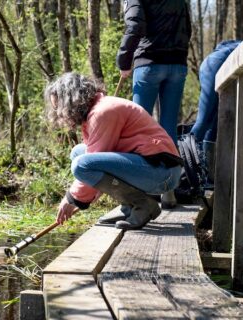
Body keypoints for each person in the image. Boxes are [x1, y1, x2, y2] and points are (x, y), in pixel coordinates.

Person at [45, 72, 183, 229]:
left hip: (163, 173)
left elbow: (91, 163)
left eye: (59, 107)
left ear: (70, 100)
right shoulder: (96, 111)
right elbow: (99, 163)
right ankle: (130, 207)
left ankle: (143, 205)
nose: (59, 113)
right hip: (151, 169)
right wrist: (88, 192)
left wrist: (71, 198)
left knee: (80, 163)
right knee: (78, 152)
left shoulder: (102, 112)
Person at [116, 0, 192, 209]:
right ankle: (169, 193)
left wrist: (124, 59)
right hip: (177, 65)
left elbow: (135, 25)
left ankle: (136, 198)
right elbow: (188, 27)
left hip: (148, 64)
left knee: (136, 130)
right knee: (168, 129)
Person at [190, 40, 242, 183]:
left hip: (218, 65)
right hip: (214, 66)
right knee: (204, 120)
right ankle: (185, 167)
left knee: (213, 122)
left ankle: (207, 174)